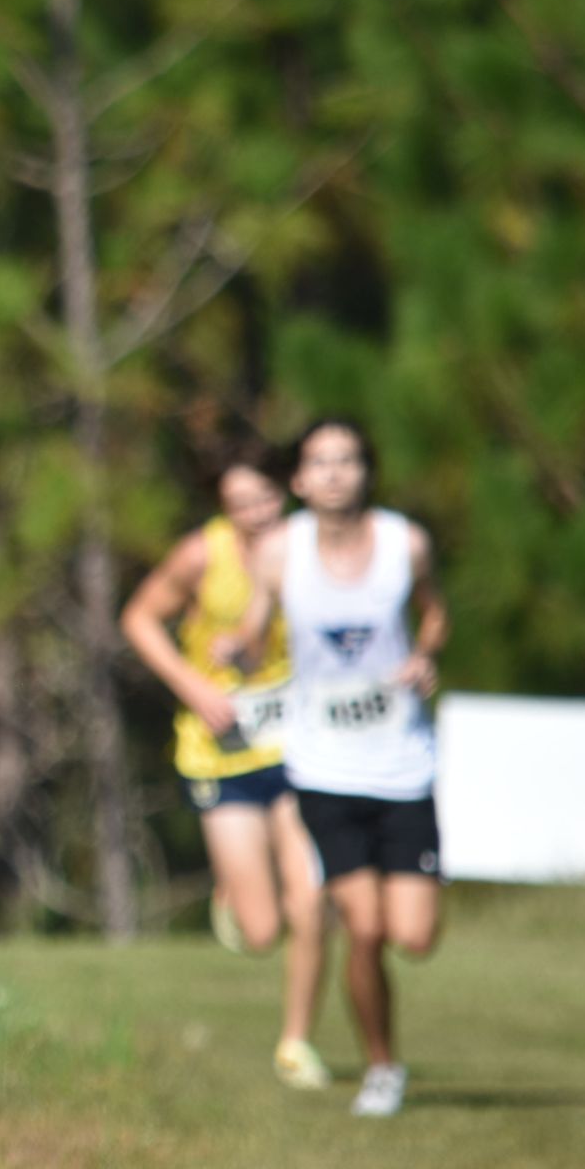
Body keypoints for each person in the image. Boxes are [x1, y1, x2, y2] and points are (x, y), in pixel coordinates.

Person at [231, 417, 448, 1118]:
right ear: (298, 479)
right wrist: (239, 647)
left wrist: (425, 656)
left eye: (347, 459)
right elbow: (258, 626)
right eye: (319, 462)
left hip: (402, 764)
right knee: (364, 926)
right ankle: (383, 1066)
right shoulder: (277, 551)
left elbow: (435, 614)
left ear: (366, 471)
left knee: (413, 935)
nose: (333, 472)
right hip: (323, 766)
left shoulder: (405, 544)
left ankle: (382, 1056)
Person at [120, 445, 330, 1090]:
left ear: (287, 492)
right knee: (262, 929)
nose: (255, 513)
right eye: (240, 504)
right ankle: (235, 895)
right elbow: (139, 618)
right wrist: (195, 688)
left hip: (299, 742)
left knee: (313, 894)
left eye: (265, 499)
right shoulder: (200, 555)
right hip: (222, 748)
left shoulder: (315, 546)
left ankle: (296, 1042)